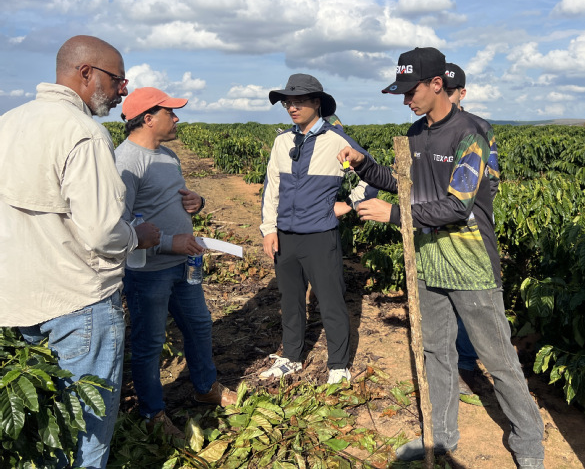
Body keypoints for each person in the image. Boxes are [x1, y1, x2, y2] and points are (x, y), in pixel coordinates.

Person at [338, 47, 544, 467]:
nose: (405, 99)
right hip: (427, 259)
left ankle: (528, 441)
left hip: (470, 263)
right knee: (436, 351)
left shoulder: (472, 133)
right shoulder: (415, 134)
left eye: (410, 90)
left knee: (498, 358)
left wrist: (394, 215)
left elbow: (457, 206)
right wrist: (363, 165)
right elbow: (402, 182)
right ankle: (441, 435)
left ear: (436, 84)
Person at [0, 35, 160, 469]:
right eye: (118, 79)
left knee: (47, 427)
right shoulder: (84, 133)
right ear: (86, 73)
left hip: (17, 299)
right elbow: (103, 231)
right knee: (85, 430)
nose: (123, 90)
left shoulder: (8, 123)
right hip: (78, 300)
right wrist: (137, 236)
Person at [115, 87, 237, 437]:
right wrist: (171, 242)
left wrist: (196, 203)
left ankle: (205, 387)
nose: (177, 118)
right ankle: (152, 413)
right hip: (148, 273)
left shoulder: (168, 156)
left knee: (199, 325)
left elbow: (171, 201)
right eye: (170, 112)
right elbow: (121, 226)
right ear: (148, 119)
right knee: (150, 343)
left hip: (183, 266)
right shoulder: (126, 162)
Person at [259, 74, 377, 384]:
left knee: (330, 300)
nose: (292, 107)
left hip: (320, 237)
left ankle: (338, 364)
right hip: (285, 236)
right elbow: (272, 188)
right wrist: (269, 229)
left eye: (299, 101)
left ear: (317, 103)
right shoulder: (282, 141)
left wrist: (348, 204)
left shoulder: (336, 140)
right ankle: (291, 357)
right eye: (288, 102)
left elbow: (371, 177)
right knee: (290, 300)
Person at [444, 62, 500, 396]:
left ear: (462, 93)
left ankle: (465, 364)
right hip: (435, 225)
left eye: (451, 92)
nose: (446, 97)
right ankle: (447, 361)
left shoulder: (478, 128)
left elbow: (490, 179)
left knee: (470, 300)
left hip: (467, 227)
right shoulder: (425, 129)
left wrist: (462, 207)